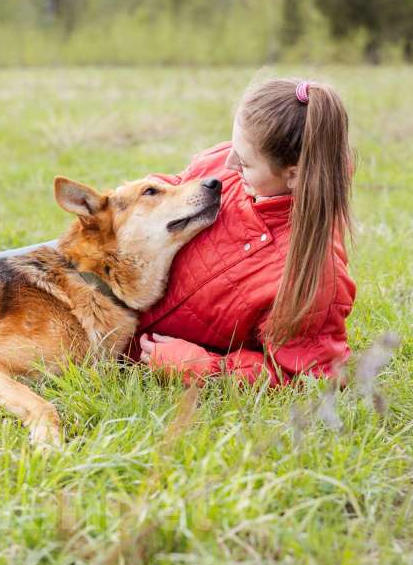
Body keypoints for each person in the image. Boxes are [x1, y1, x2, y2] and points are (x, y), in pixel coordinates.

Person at [134, 77, 355, 386]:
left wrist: (205, 366)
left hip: (117, 345)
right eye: (232, 145)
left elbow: (308, 377)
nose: (228, 162)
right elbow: (170, 190)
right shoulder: (229, 166)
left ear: (293, 175)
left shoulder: (312, 274)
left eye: (245, 162)